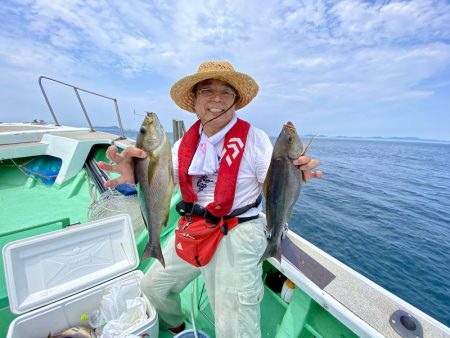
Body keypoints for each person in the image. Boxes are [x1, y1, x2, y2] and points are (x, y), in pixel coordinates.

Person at [98, 61, 322, 337]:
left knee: (234, 325)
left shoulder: (255, 139)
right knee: (153, 287)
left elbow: (273, 181)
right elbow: (163, 181)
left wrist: (294, 173)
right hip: (196, 227)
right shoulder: (182, 145)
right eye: (207, 90)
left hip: (238, 228)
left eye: (226, 92)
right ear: (194, 101)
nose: (217, 98)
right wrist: (136, 176)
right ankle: (178, 326)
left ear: (235, 102)